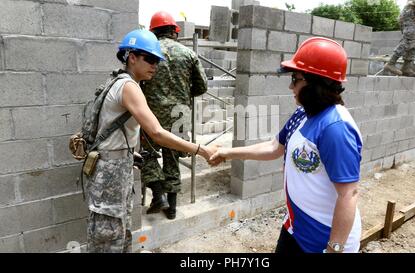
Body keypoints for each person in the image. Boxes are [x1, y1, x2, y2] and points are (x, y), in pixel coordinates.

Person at [209, 37, 363, 253]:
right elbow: (275, 147)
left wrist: (334, 248)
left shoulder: (335, 128)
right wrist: (227, 153)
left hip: (323, 239)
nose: (291, 85)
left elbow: (349, 194)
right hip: (295, 227)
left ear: (315, 84)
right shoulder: (303, 113)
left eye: (295, 78)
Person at [86, 29, 216, 253]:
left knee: (119, 231)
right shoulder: (129, 87)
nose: (155, 65)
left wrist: (128, 154)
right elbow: (156, 133)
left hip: (114, 167)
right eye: (150, 59)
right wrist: (201, 150)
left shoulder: (119, 80)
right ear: (131, 57)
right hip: (111, 173)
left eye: (157, 60)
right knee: (109, 237)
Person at [140, 11, 208, 220]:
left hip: (152, 114)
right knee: (173, 158)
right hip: (180, 114)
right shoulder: (188, 54)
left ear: (153, 31)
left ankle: (158, 195)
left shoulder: (148, 52)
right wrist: (184, 95)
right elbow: (202, 86)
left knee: (147, 154)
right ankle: (172, 208)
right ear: (174, 32)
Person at [384, 0, 415, 77]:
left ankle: (406, 68)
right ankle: (391, 63)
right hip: (410, 12)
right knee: (409, 40)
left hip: (413, 11)